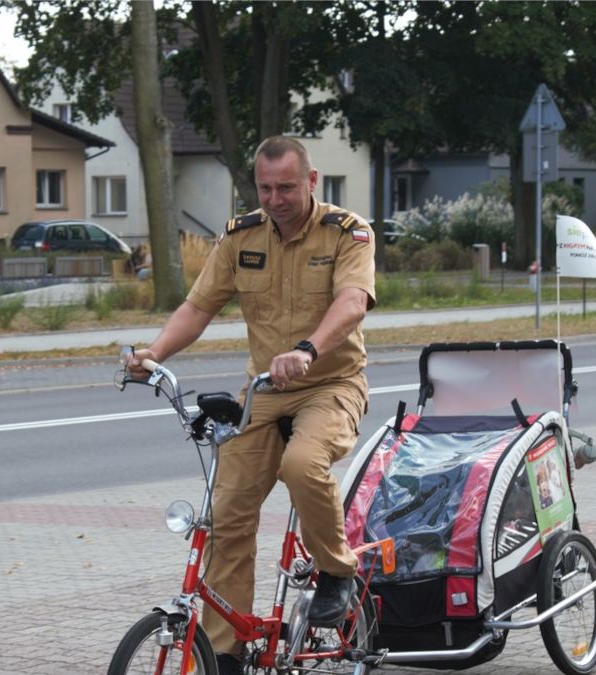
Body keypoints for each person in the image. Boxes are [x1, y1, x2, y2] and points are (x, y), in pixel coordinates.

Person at [127, 135, 375, 674]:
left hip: (331, 384)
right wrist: (154, 352)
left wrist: (308, 350)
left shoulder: (348, 233)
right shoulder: (242, 236)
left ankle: (337, 570)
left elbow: (353, 301)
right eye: (265, 187)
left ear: (310, 181)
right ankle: (226, 653)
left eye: (286, 186)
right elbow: (199, 305)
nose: (275, 197)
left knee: (302, 465)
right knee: (226, 517)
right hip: (264, 392)